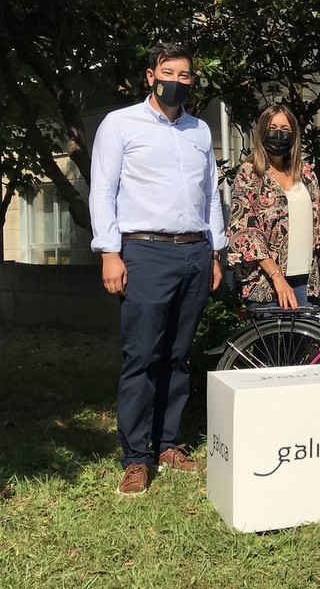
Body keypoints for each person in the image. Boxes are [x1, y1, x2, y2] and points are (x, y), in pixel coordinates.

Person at [90, 42, 227, 495]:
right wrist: (109, 251)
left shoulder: (199, 130)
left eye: (185, 75)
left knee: (177, 354)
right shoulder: (120, 124)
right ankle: (136, 457)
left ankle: (168, 444)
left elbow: (210, 195)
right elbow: (102, 190)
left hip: (194, 252)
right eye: (168, 72)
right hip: (144, 251)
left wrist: (214, 251)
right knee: (142, 356)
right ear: (151, 76)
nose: (176, 81)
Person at [227, 104, 320, 309]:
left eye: (285, 129)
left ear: (294, 135)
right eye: (273, 128)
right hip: (267, 284)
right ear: (262, 131)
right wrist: (277, 276)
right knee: (273, 332)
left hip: (306, 282)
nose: (278, 134)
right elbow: (245, 233)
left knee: (308, 331)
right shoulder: (249, 173)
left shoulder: (306, 172)